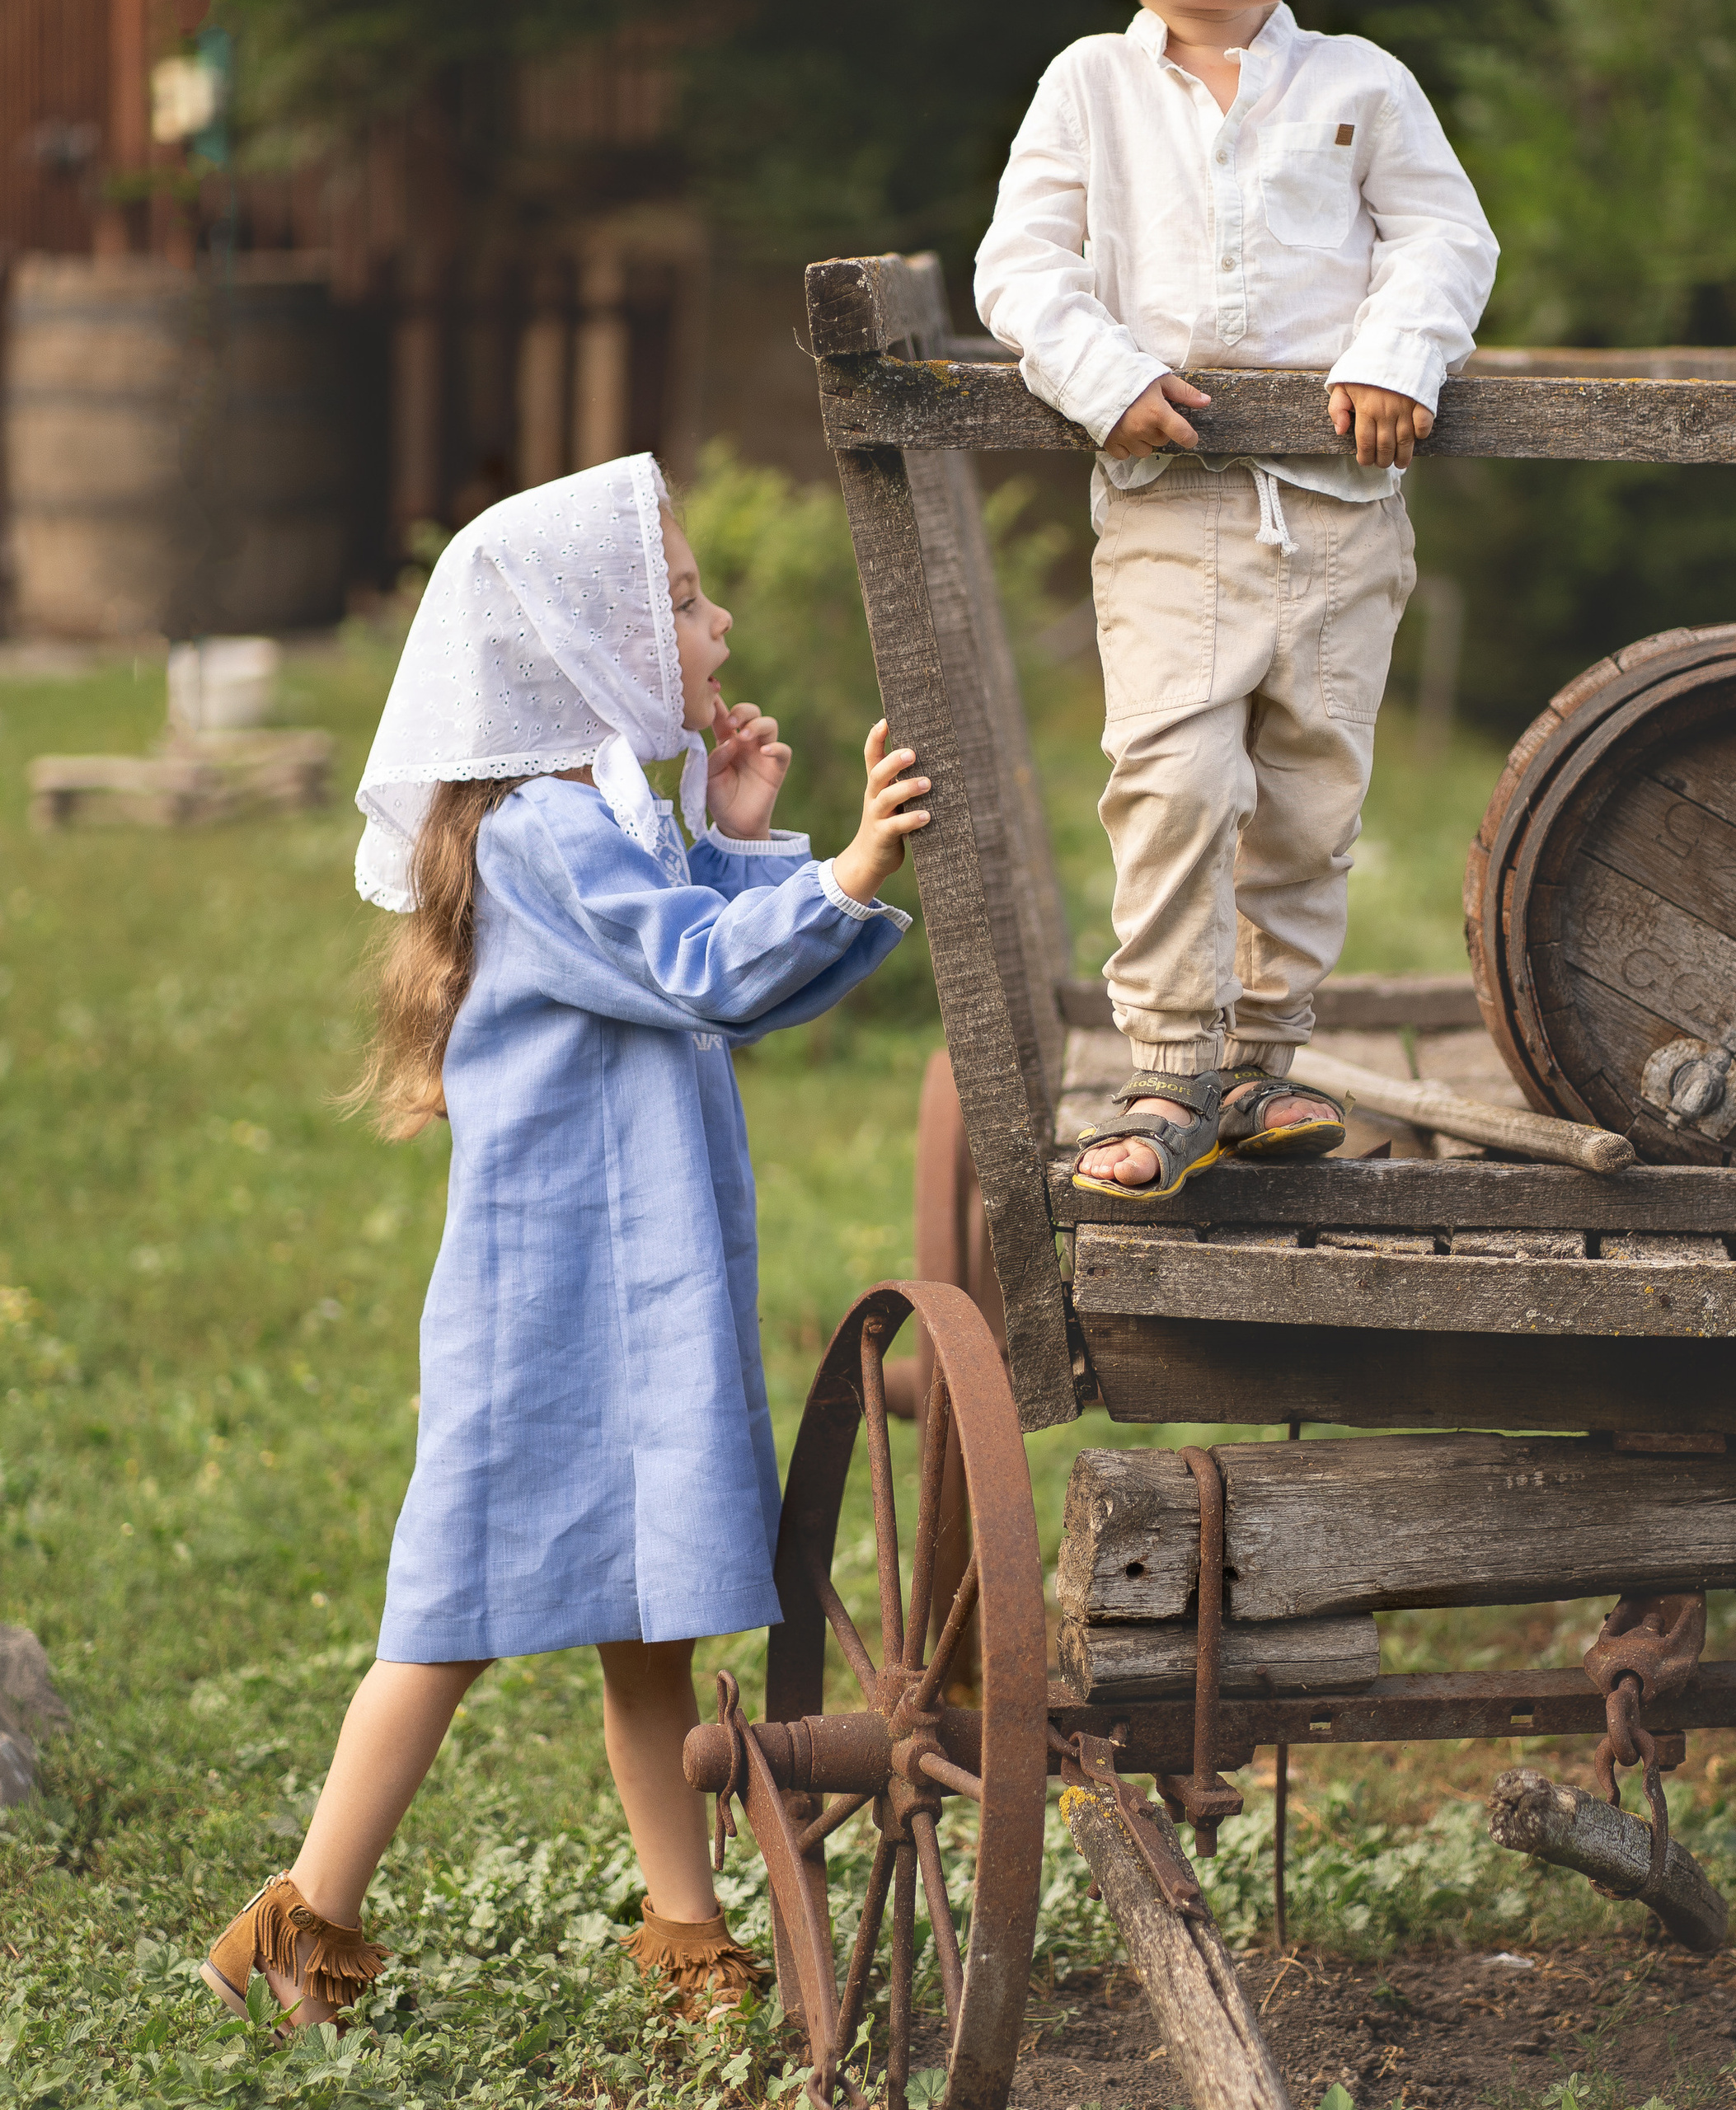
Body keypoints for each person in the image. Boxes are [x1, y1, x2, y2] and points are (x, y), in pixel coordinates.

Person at [198, 454, 929, 2033]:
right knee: (450, 1620)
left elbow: (683, 934)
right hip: (552, 1303)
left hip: (633, 1285)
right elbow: (692, 966)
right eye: (677, 598)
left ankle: (683, 1933)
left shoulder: (595, 813)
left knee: (650, 1622)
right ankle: (298, 1920)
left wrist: (742, 836)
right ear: (577, 647)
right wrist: (846, 867)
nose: (716, 621)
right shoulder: (542, 827)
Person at [975, 0, 1497, 1197]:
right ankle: (1167, 1066)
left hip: (1341, 512)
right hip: (1171, 504)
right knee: (1174, 778)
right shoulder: (1091, 81)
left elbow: (1445, 241)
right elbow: (1021, 265)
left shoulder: (1359, 83)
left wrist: (1392, 355)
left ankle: (1263, 1061)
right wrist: (1106, 378)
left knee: (1313, 797)